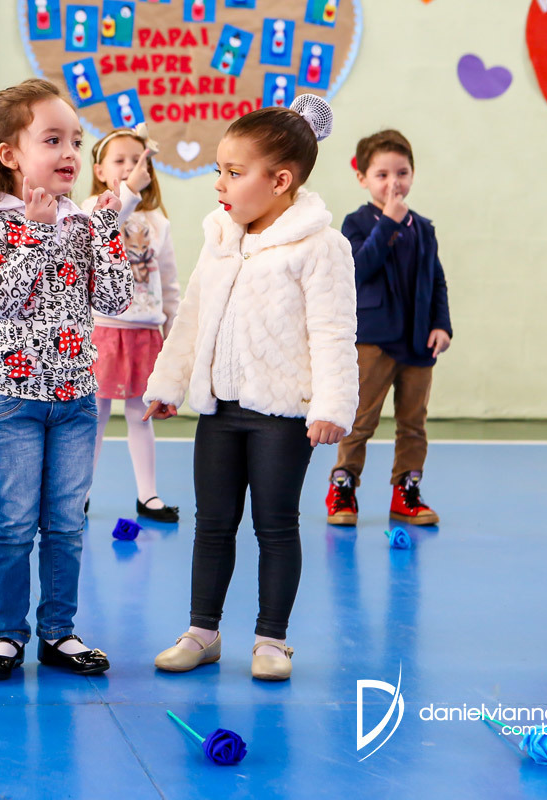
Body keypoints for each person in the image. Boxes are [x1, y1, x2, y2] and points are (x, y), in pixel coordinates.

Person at [144, 96, 358, 681]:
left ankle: (271, 641)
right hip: (220, 410)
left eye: (234, 172)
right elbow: (193, 318)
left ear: (280, 181)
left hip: (282, 416)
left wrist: (332, 405)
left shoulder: (321, 247)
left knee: (276, 525)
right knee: (212, 523)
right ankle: (202, 632)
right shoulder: (221, 237)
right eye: (220, 169)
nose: (220, 183)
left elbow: (334, 331)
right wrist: (169, 381)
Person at [0, 79, 133, 680]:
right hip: (13, 402)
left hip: (76, 401)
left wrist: (108, 230)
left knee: (66, 524)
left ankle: (59, 632)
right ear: (11, 154)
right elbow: (3, 299)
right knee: (12, 523)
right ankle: (6, 635)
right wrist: (35, 233)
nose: (69, 153)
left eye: (75, 141)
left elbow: (114, 299)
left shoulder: (82, 221)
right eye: (52, 140)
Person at [325, 129, 451, 527]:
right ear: (362, 178)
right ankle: (343, 486)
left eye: (402, 172)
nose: (393, 182)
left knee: (413, 424)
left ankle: (406, 492)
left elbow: (436, 280)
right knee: (360, 420)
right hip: (373, 341)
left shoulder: (423, 228)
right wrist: (388, 224)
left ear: (412, 174)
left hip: (418, 342)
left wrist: (442, 325)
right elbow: (358, 269)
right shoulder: (357, 223)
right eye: (382, 174)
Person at [82, 125, 181, 522]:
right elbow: (106, 225)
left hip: (145, 333)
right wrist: (129, 191)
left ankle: (148, 494)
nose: (129, 167)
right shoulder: (90, 209)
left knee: (142, 415)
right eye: (119, 160)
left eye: (138, 160)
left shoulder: (158, 221)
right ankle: (80, 493)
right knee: (94, 417)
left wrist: (172, 332)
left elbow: (169, 282)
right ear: (99, 170)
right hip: (103, 330)